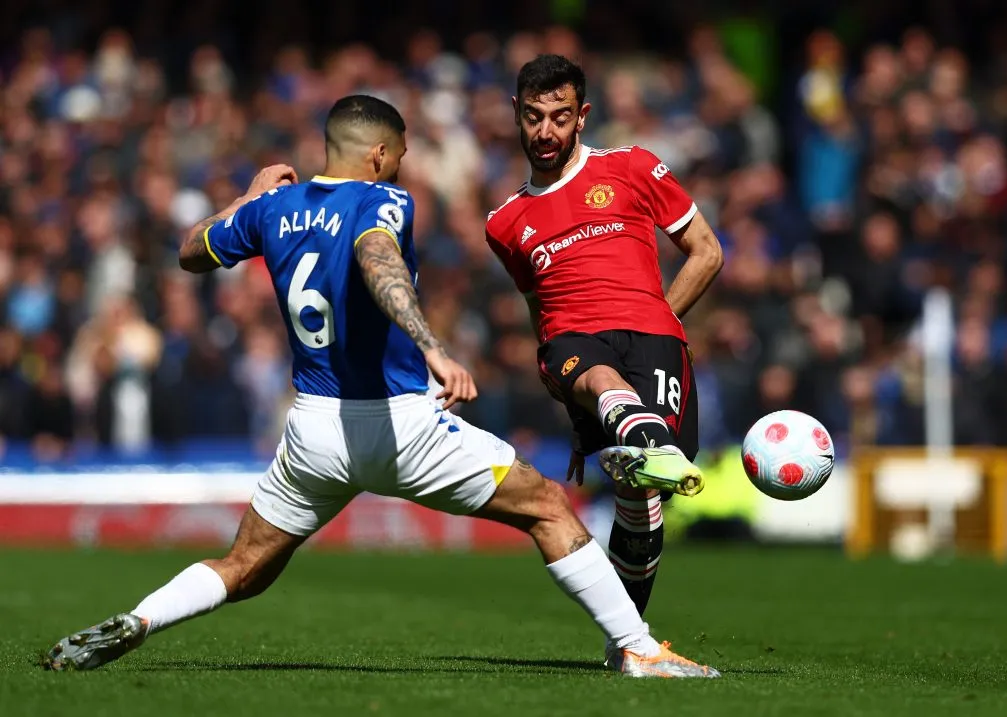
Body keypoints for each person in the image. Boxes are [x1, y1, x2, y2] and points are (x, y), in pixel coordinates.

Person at [43, 95, 719, 679]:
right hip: (400, 425)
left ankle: (138, 618)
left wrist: (248, 197)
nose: (401, 166)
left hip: (312, 430)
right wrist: (434, 348)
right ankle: (637, 648)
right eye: (398, 154)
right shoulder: (384, 199)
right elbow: (376, 257)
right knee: (547, 507)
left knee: (244, 564)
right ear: (377, 154)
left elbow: (192, 251)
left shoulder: (272, 210)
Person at [484, 56, 725, 655]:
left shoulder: (634, 167)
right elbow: (541, 307)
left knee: (641, 502)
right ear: (516, 114)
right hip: (573, 343)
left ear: (582, 117)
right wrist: (564, 386)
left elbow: (706, 252)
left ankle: (629, 643)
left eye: (560, 117)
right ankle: (636, 427)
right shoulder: (504, 222)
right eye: (534, 117)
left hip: (653, 335)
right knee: (594, 376)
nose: (546, 132)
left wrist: (662, 318)